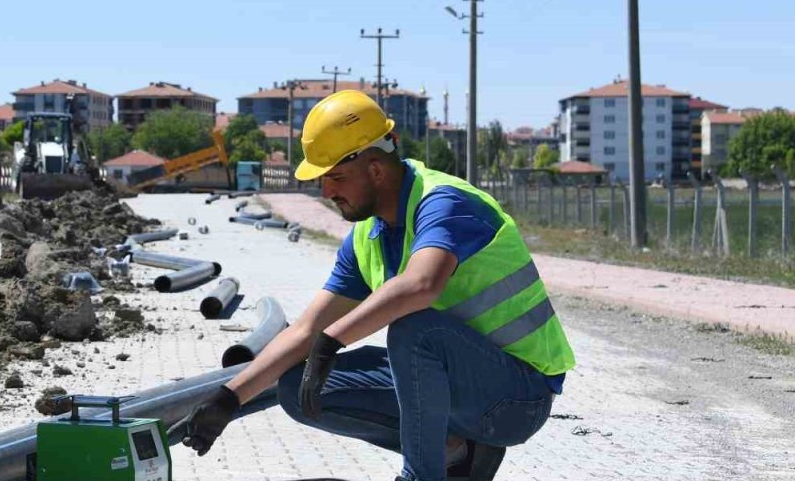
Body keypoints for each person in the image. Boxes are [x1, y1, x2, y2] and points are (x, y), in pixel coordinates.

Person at [181, 91, 575, 481]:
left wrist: (331, 341)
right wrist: (230, 398)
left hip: (516, 397)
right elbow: (306, 329)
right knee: (296, 389)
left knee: (416, 330)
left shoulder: (445, 202)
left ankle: (421, 474)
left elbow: (422, 284)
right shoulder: (368, 236)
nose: (327, 192)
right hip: (460, 386)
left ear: (375, 169)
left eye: (335, 177)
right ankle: (457, 451)